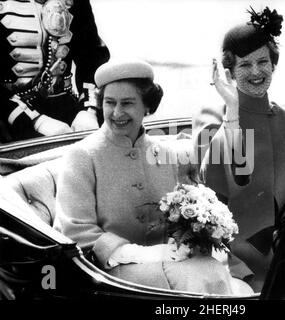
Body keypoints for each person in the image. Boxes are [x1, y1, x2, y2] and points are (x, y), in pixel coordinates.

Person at [54, 59, 253, 295]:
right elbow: (75, 231)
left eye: (127, 103)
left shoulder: (164, 152)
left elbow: (217, 163)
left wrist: (232, 108)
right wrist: (144, 254)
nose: (117, 113)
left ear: (147, 107)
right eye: (109, 103)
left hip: (170, 262)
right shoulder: (82, 156)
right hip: (112, 273)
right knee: (203, 276)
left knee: (220, 277)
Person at [193, 6, 285, 291]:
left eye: (263, 62)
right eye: (244, 65)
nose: (256, 72)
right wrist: (234, 111)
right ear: (228, 72)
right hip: (232, 257)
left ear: (274, 64)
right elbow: (210, 189)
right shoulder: (212, 118)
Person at [0, 0, 110, 143]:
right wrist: (35, 121)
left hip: (68, 110)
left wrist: (89, 110)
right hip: (9, 118)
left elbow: (92, 58)